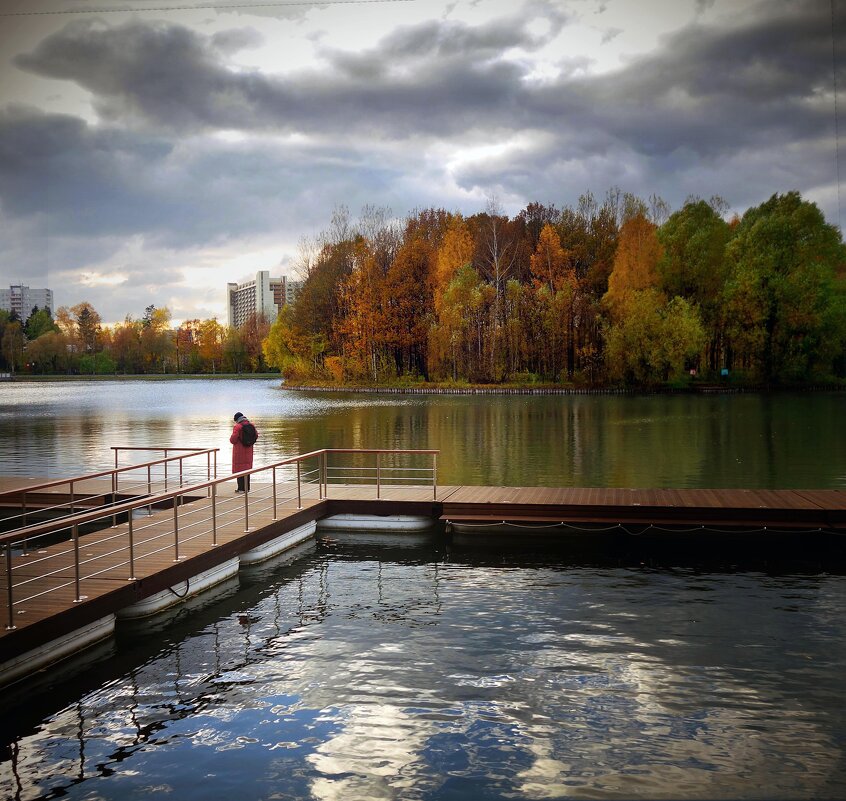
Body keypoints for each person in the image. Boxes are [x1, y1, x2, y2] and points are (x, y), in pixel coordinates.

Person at [230, 412, 258, 492]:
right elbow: (256, 436)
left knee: (239, 470)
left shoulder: (237, 427)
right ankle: (247, 488)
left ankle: (240, 489)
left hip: (239, 452)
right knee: (247, 470)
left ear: (236, 419)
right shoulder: (251, 425)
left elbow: (233, 440)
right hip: (249, 451)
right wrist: (249, 442)